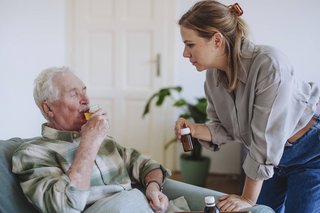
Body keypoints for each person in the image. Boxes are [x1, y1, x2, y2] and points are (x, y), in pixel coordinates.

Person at [175, 1, 320, 213]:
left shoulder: (269, 64)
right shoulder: (213, 76)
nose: (185, 54)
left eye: (190, 44)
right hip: (270, 159)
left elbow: (266, 140)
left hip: (309, 153)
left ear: (217, 40)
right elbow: (224, 128)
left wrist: (247, 198)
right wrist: (195, 129)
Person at [12, 67, 170, 213]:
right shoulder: (32, 154)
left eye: (84, 91)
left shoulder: (105, 142)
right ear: (48, 108)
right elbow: (65, 205)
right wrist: (89, 142)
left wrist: (153, 187)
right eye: (74, 94)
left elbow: (148, 165)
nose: (86, 100)